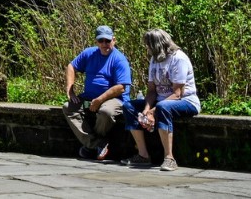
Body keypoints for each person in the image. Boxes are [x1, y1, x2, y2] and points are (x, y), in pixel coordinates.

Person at [124, 28, 200, 172]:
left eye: (148, 45)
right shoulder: (154, 59)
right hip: (161, 102)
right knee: (129, 106)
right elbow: (152, 91)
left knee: (163, 106)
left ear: (157, 45)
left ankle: (169, 158)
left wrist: (154, 110)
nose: (146, 48)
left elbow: (177, 93)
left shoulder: (179, 58)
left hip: (186, 101)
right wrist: (146, 111)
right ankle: (143, 155)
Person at [64, 24, 131, 162]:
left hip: (114, 98)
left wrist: (100, 100)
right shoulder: (89, 53)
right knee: (68, 107)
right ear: (96, 42)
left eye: (107, 41)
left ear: (114, 40)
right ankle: (97, 144)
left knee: (106, 112)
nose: (104, 44)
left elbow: (121, 87)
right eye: (101, 41)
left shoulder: (119, 59)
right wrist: (70, 90)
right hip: (89, 97)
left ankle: (90, 147)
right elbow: (71, 66)